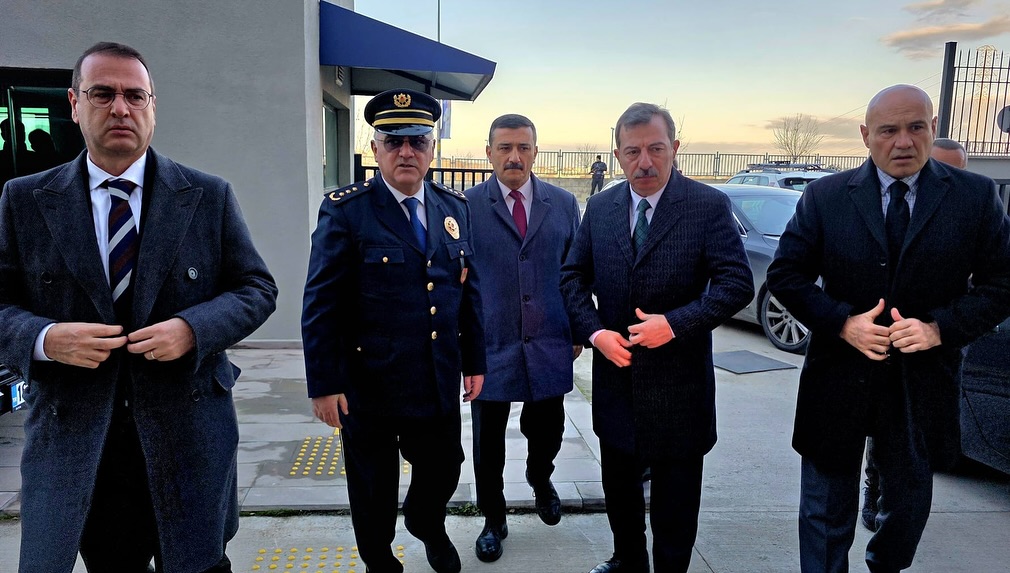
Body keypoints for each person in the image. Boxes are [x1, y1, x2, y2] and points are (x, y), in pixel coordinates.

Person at [0, 41, 278, 573]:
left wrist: (193, 329)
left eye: (135, 95)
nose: (120, 109)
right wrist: (44, 339)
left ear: (153, 105)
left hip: (188, 434)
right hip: (81, 441)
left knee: (198, 563)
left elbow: (256, 288)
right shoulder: (25, 200)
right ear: (74, 104)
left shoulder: (207, 195)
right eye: (102, 94)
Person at [767, 84, 1010, 573]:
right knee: (823, 509)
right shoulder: (825, 196)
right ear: (866, 135)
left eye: (916, 127)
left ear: (933, 128)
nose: (903, 141)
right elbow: (786, 275)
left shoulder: (975, 196)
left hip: (921, 382)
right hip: (838, 378)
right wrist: (842, 323)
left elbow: (1002, 283)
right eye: (888, 131)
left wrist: (939, 329)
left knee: (907, 504)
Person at [561, 102, 753, 573]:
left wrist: (675, 324)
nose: (644, 162)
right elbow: (572, 278)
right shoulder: (601, 207)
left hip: (680, 387)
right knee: (620, 490)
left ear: (675, 148)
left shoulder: (707, 205)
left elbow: (736, 284)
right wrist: (596, 333)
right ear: (618, 155)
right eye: (633, 152)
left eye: (656, 149)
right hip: (617, 380)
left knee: (675, 505)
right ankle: (628, 561)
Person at [301, 88, 486, 573]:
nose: (406, 152)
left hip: (435, 376)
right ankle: (380, 559)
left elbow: (467, 291)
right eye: (394, 141)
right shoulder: (346, 211)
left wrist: (475, 361)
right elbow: (321, 303)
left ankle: (426, 521)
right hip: (370, 383)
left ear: (431, 148)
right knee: (372, 485)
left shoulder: (453, 207)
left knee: (445, 466)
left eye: (417, 141)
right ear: (375, 148)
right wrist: (324, 384)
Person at [464, 114, 581, 563]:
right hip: (490, 343)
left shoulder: (563, 203)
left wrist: (578, 329)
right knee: (487, 441)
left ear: (535, 151)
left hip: (549, 338)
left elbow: (575, 272)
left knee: (547, 428)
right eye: (505, 147)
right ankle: (493, 519)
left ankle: (539, 476)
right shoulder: (466, 206)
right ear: (489, 152)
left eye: (523, 147)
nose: (514, 156)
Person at [860, 133, 971, 532]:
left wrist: (942, 327)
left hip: (934, 350)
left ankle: (899, 512)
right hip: (877, 344)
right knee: (880, 430)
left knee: (917, 443)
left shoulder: (970, 206)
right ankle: (874, 489)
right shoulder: (878, 200)